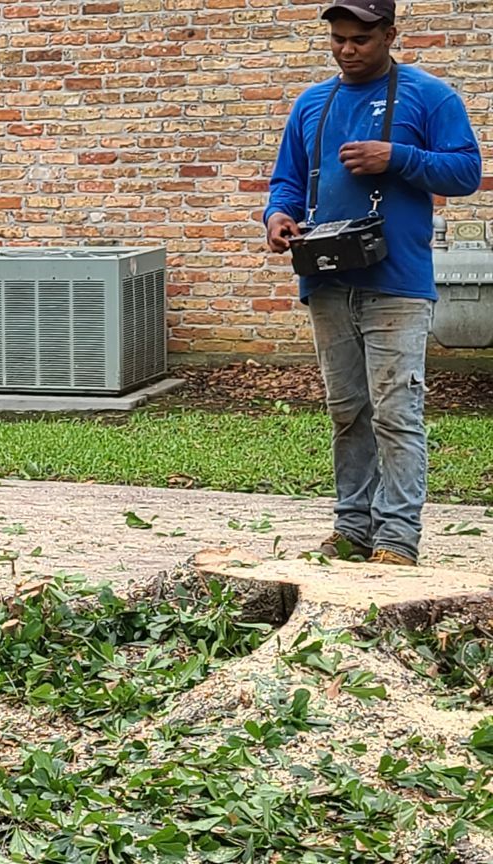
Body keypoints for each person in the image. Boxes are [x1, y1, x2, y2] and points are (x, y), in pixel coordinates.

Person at [262, 0, 482, 566]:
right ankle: (352, 527)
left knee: (395, 411)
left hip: (398, 282)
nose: (346, 49)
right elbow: (287, 180)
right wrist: (277, 218)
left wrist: (398, 156)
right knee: (347, 410)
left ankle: (397, 537)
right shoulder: (313, 102)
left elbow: (465, 172)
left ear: (389, 34)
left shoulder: (430, 96)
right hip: (328, 279)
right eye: (337, 39)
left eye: (359, 38)